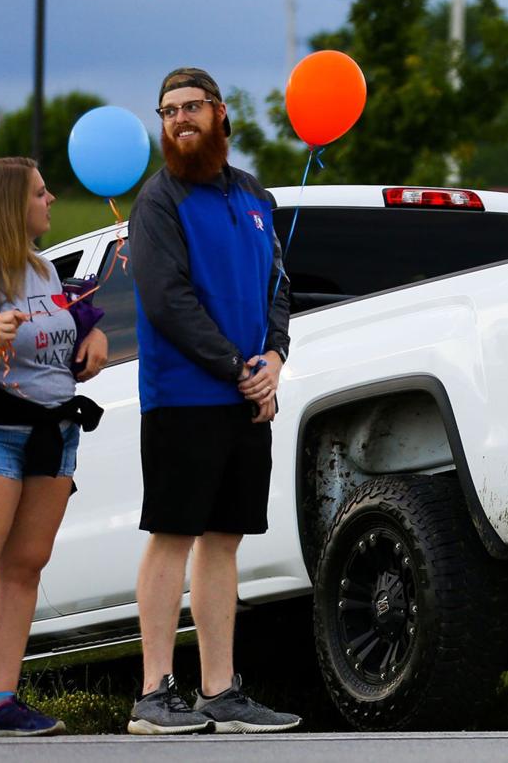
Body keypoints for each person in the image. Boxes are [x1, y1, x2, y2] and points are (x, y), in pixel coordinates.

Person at [127, 68, 299, 735]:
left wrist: (275, 357)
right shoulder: (158, 202)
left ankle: (220, 691)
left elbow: (278, 285)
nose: (179, 119)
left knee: (224, 539)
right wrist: (238, 369)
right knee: (173, 534)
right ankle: (153, 692)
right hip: (184, 396)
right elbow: (167, 300)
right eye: (168, 111)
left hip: (248, 397)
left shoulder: (253, 195)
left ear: (220, 113)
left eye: (191, 106)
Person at [0, 157, 107, 737]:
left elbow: (63, 345)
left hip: (57, 436)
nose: (52, 198)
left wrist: (92, 341)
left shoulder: (45, 270)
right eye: (40, 192)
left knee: (25, 565)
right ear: (13, 205)